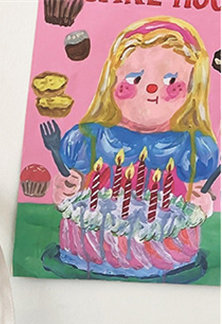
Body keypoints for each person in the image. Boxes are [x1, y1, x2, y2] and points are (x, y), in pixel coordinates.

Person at [52, 16, 219, 216]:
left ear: (192, 89)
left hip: (165, 231)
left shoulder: (192, 147)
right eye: (135, 78)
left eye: (171, 81)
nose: (151, 88)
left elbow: (200, 193)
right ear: (112, 81)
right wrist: (67, 189)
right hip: (99, 228)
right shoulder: (90, 139)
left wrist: (201, 203)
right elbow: (74, 186)